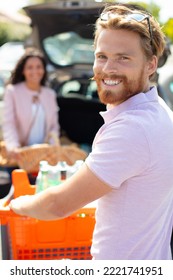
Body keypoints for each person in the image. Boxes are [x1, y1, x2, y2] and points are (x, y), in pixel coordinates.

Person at [8, 3, 173, 260]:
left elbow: (57, 205)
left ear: (151, 64)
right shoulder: (159, 111)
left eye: (124, 58)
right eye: (102, 56)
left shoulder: (132, 129)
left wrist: (16, 205)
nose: (108, 69)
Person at [2, 47, 60, 183]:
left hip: (44, 158)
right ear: (23, 70)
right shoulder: (13, 92)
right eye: (30, 67)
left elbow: (54, 126)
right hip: (20, 157)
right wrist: (13, 147)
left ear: (44, 70)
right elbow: (9, 123)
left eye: (39, 67)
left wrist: (52, 148)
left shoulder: (49, 94)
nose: (35, 71)